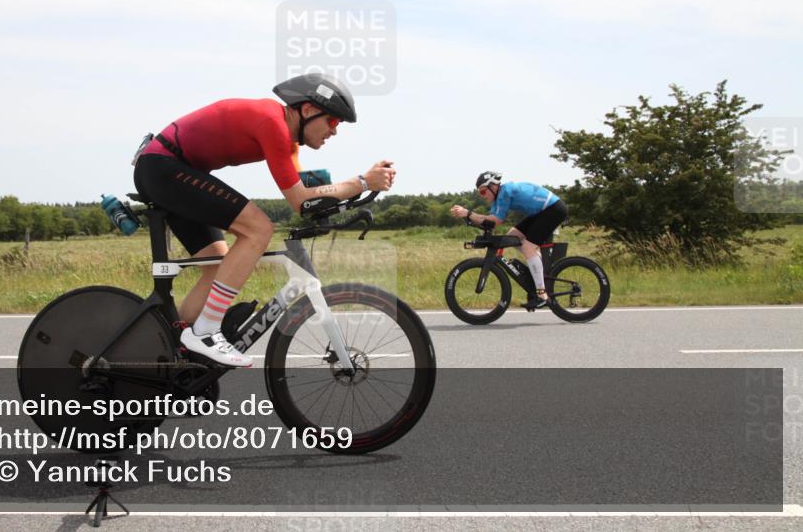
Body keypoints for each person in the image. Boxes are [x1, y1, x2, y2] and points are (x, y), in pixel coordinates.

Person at [133, 73, 395, 367]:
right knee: (258, 229)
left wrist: (349, 198)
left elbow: (305, 200)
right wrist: (362, 181)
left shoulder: (288, 142)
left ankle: (171, 353)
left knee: (216, 265)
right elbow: (299, 199)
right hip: (163, 167)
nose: (334, 132)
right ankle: (206, 332)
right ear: (308, 110)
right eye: (333, 121)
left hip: (170, 169)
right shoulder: (273, 123)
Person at [450, 172, 568, 309]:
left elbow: (496, 221)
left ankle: (542, 295)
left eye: (483, 192)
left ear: (493, 186)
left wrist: (469, 213)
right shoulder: (498, 198)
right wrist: (469, 217)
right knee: (512, 238)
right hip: (541, 212)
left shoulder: (505, 192)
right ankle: (538, 274)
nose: (483, 196)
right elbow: (489, 222)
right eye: (480, 193)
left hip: (553, 209)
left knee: (527, 248)